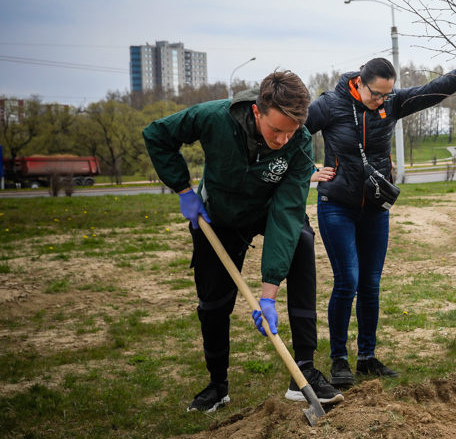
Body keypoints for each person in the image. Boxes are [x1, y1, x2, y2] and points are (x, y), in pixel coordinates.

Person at [142, 70, 343, 413]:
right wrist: (182, 189)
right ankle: (217, 385)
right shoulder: (213, 117)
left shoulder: (299, 141)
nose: (282, 139)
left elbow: (286, 212)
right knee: (214, 300)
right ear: (256, 111)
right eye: (275, 130)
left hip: (267, 209)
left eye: (290, 132)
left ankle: (304, 373)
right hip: (219, 215)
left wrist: (268, 295)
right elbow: (158, 134)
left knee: (302, 242)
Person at [305, 57, 456, 387]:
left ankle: (367, 357)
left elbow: (429, 92)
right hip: (337, 205)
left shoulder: (390, 102)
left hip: (375, 207)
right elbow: (293, 130)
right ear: (359, 83)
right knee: (348, 279)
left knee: (371, 284)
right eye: (376, 94)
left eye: (386, 95)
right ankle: (339, 360)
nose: (381, 101)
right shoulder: (329, 105)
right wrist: (307, 170)